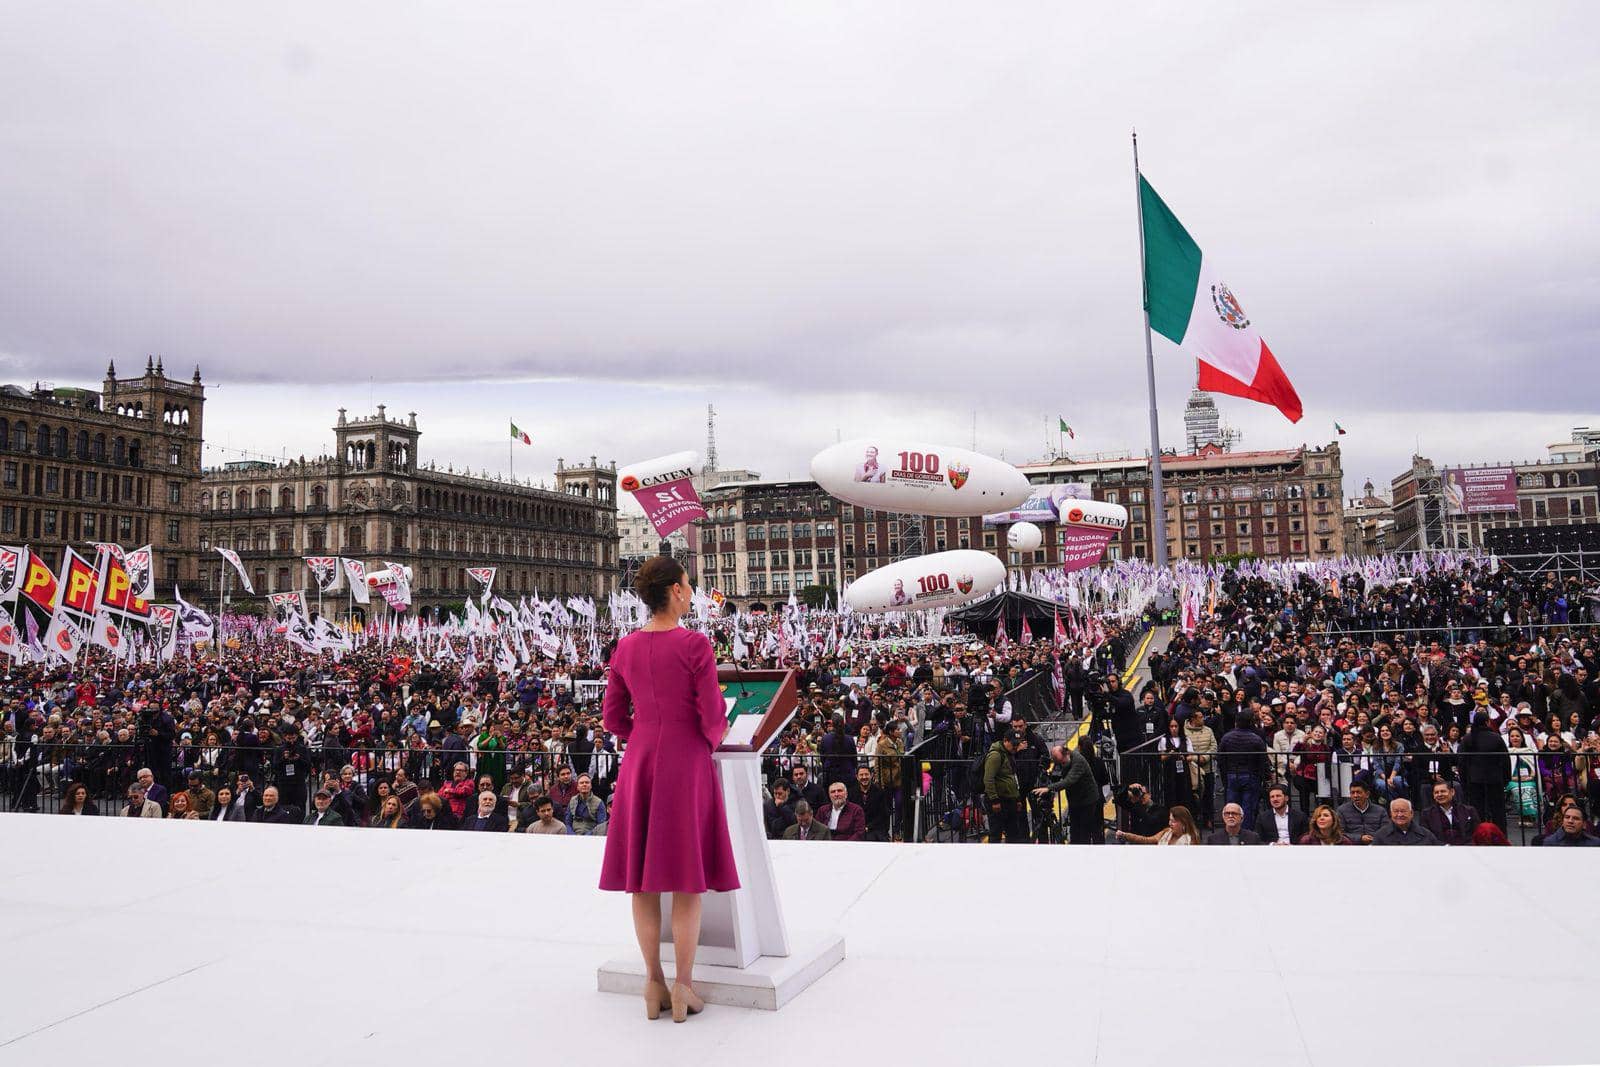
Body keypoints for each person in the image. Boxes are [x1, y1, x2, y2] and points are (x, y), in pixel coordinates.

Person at [598, 556, 738, 1024]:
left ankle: (653, 981)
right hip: (685, 761)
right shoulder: (696, 644)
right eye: (688, 584)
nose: (692, 590)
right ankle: (684, 987)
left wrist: (643, 734)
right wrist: (712, 737)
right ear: (676, 591)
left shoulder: (625, 647)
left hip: (640, 760)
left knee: (642, 880)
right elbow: (712, 714)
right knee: (684, 880)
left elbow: (613, 717)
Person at [1034, 743, 1103, 845]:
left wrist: (1049, 788)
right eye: (1058, 763)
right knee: (1074, 831)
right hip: (1075, 800)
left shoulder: (1078, 761)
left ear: (1066, 753)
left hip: (1087, 801)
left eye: (1062, 762)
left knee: (1084, 832)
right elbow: (1057, 774)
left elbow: (1069, 780)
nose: (1061, 765)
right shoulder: (1062, 759)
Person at [1417, 780, 1480, 846]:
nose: (1439, 795)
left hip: (1467, 849)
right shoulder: (1426, 814)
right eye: (1436, 792)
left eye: (1443, 791)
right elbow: (1426, 837)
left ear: (1452, 792)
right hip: (1440, 850)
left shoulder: (1469, 811)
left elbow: (1476, 833)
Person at [1335, 780, 1389, 845]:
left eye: (1358, 792)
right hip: (1352, 847)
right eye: (1352, 793)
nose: (1355, 795)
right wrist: (1360, 838)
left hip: (1375, 846)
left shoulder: (1380, 811)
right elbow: (1339, 833)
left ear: (1367, 794)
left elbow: (1385, 831)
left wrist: (1374, 839)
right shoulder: (1342, 810)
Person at [1118, 803, 1200, 845]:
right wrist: (1125, 835)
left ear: (1183, 822)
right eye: (1169, 820)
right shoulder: (1166, 832)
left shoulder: (1191, 840)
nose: (1170, 823)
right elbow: (1146, 840)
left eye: (1173, 821)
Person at [1373, 799, 1439, 846]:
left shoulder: (1426, 834)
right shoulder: (1380, 836)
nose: (1399, 815)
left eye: (1403, 811)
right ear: (1391, 814)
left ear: (1411, 813)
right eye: (1396, 811)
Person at [1535, 806, 1600, 847]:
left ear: (1584, 824)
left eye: (1576, 818)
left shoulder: (1595, 843)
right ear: (1563, 821)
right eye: (1567, 817)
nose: (1570, 821)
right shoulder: (1550, 842)